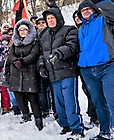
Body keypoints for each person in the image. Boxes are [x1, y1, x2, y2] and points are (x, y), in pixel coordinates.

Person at [75, 0, 114, 139]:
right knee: (99, 104)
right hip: (88, 71)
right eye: (82, 10)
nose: (86, 11)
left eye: (88, 8)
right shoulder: (81, 30)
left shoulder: (105, 21)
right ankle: (105, 131)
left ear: (95, 9)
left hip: (108, 67)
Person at [38, 7, 84, 139]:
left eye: (52, 18)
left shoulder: (69, 30)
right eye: (48, 19)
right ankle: (65, 125)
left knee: (70, 101)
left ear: (58, 18)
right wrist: (41, 65)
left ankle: (76, 127)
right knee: (58, 103)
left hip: (67, 71)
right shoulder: (44, 35)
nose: (50, 20)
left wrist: (58, 53)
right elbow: (41, 53)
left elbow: (71, 46)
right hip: (52, 74)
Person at [8, 19, 43, 131]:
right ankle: (26, 115)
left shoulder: (34, 41)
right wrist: (15, 61)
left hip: (30, 71)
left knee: (33, 97)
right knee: (19, 96)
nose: (22, 32)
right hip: (16, 72)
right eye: (20, 30)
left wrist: (23, 61)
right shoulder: (15, 42)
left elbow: (34, 54)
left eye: (25, 29)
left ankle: (38, 119)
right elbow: (11, 54)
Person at [72, 10, 99, 126]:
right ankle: (93, 113)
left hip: (95, 64)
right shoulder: (75, 31)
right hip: (82, 65)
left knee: (96, 92)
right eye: (75, 18)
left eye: (78, 17)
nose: (77, 19)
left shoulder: (90, 28)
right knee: (88, 90)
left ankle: (96, 114)